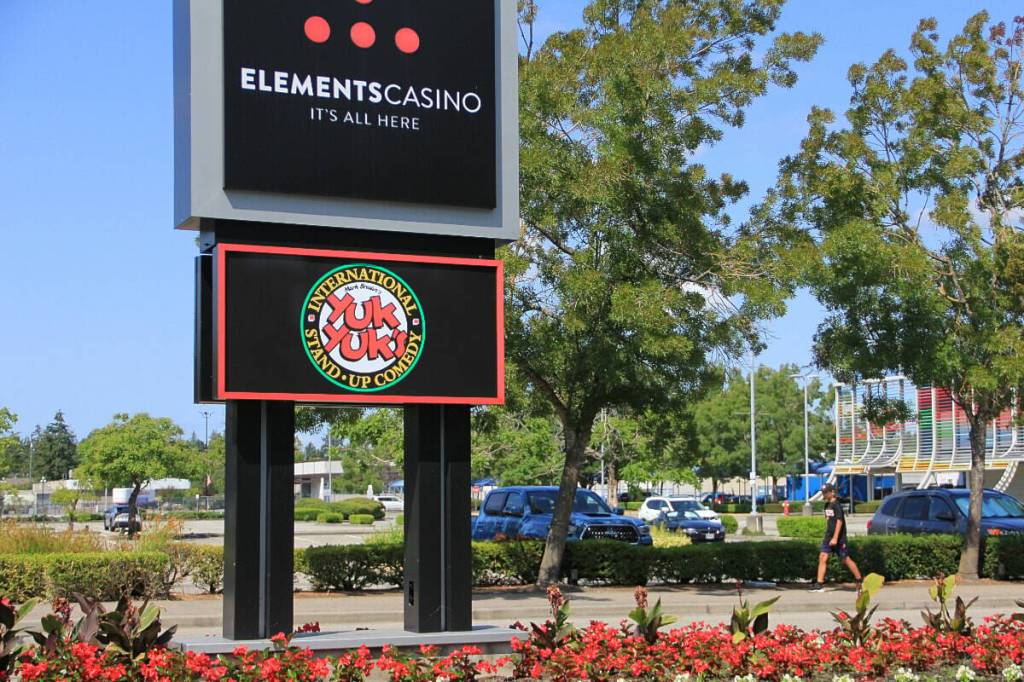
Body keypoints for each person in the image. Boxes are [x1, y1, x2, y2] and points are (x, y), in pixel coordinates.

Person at [809, 483, 862, 592]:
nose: (824, 494)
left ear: (832, 492)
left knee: (845, 559)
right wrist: (828, 535)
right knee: (823, 556)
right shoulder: (826, 505)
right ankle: (819, 583)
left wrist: (835, 538)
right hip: (828, 537)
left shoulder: (837, 505)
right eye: (823, 492)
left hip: (839, 538)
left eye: (826, 492)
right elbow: (828, 521)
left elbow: (839, 521)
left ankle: (859, 580)